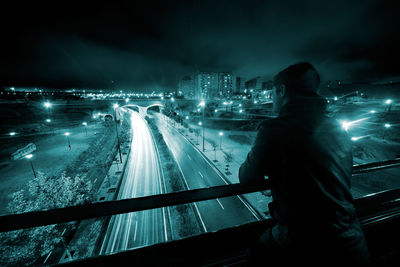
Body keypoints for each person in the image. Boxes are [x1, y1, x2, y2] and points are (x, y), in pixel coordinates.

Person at [239, 62, 370, 265]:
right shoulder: (338, 127)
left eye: (273, 93)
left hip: (303, 242)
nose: (272, 98)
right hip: (352, 241)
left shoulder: (275, 129)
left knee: (251, 255)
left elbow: (247, 177)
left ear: (281, 91)